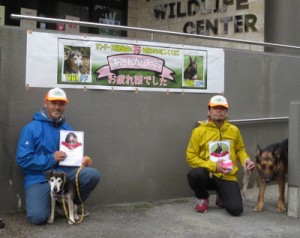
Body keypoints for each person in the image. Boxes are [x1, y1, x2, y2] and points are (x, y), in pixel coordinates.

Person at [16, 88, 101, 225]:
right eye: (53, 103)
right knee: (37, 217)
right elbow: (22, 159)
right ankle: (54, 207)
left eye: (61, 104)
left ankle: (71, 206)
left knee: (92, 175)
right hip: (38, 179)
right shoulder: (31, 128)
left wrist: (79, 160)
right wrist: (51, 158)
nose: (57, 107)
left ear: (65, 106)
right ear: (45, 103)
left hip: (64, 176)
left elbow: (70, 156)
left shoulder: (67, 129)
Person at [186, 95, 255, 216]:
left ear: (226, 112)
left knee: (236, 210)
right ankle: (202, 198)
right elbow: (190, 157)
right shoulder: (199, 131)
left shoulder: (234, 130)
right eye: (215, 108)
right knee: (194, 174)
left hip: (227, 175)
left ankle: (221, 196)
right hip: (209, 174)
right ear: (209, 111)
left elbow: (240, 150)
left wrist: (246, 161)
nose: (219, 111)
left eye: (222, 108)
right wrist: (213, 166)